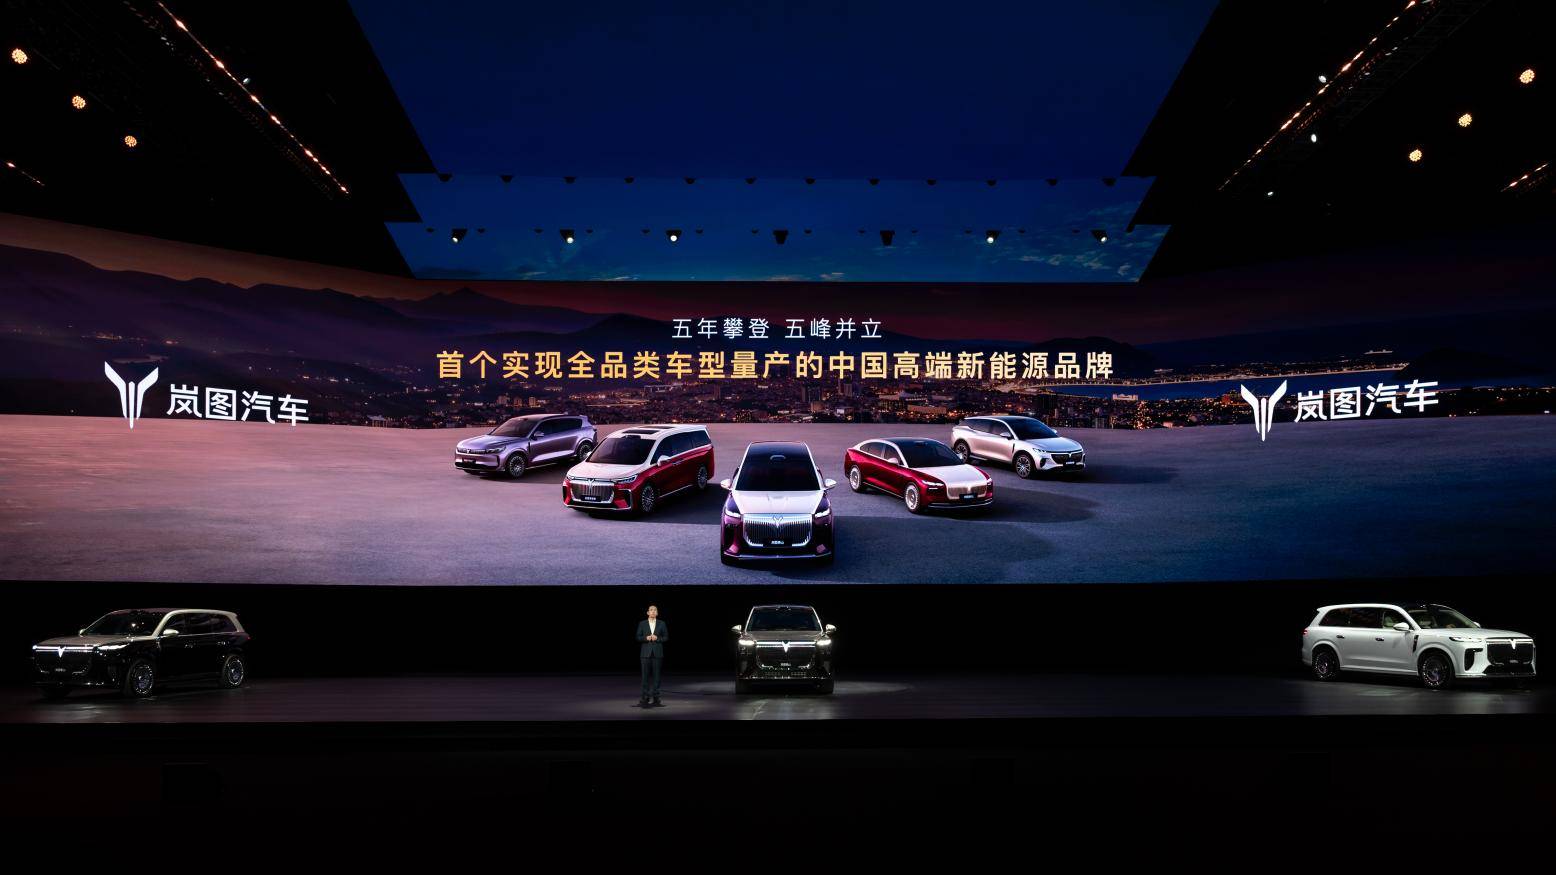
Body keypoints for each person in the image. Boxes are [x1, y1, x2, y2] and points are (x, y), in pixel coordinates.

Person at [636, 605, 668, 707]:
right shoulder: (642, 623)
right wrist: (646, 638)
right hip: (645, 654)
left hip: (657, 653)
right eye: (651, 610)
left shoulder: (662, 623)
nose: (653, 611)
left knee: (657, 677)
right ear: (648, 612)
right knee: (645, 677)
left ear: (657, 613)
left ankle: (656, 699)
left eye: (655, 610)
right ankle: (645, 699)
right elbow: (638, 637)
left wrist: (657, 638)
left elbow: (666, 637)